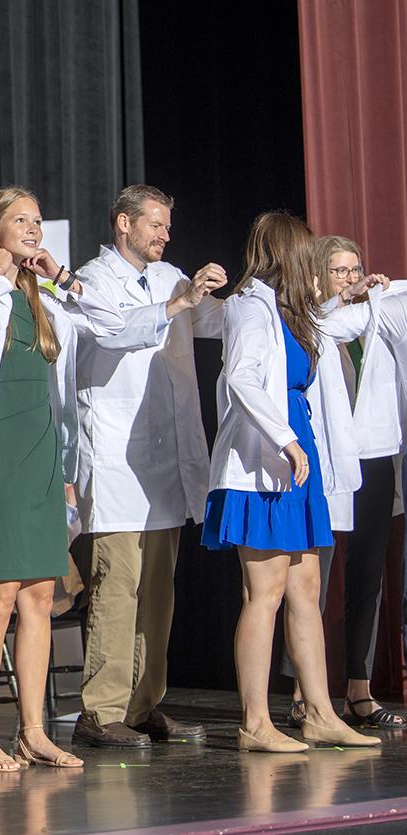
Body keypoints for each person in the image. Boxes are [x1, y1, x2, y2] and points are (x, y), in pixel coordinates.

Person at [0, 185, 126, 771]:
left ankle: (36, 731)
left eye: (38, 221)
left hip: (41, 453)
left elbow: (116, 324)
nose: (34, 229)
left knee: (40, 596)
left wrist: (61, 277)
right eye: (20, 220)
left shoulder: (45, 295)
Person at [201, 212, 380, 752]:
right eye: (305, 254)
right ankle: (255, 723)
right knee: (267, 592)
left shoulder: (288, 310)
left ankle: (321, 712)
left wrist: (360, 299)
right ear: (286, 255)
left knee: (306, 588)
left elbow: (330, 328)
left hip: (294, 456)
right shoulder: (248, 306)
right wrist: (286, 438)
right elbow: (241, 378)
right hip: (265, 462)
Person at [69, 184, 225, 748]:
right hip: (116, 460)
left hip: (166, 459)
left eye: (167, 226)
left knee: (159, 590)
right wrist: (180, 303)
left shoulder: (169, 277)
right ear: (123, 225)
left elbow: (215, 324)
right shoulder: (92, 279)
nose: (164, 235)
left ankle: (143, 705)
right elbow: (113, 331)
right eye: (155, 225)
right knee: (119, 587)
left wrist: (212, 294)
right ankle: (100, 711)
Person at [282, 236, 406, 729]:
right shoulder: (308, 323)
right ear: (318, 277)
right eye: (339, 271)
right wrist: (340, 300)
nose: (351, 280)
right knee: (311, 576)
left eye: (356, 271)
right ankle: (302, 691)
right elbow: (316, 321)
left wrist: (373, 297)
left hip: (374, 453)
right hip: (328, 460)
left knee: (368, 575)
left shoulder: (378, 316)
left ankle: (359, 689)